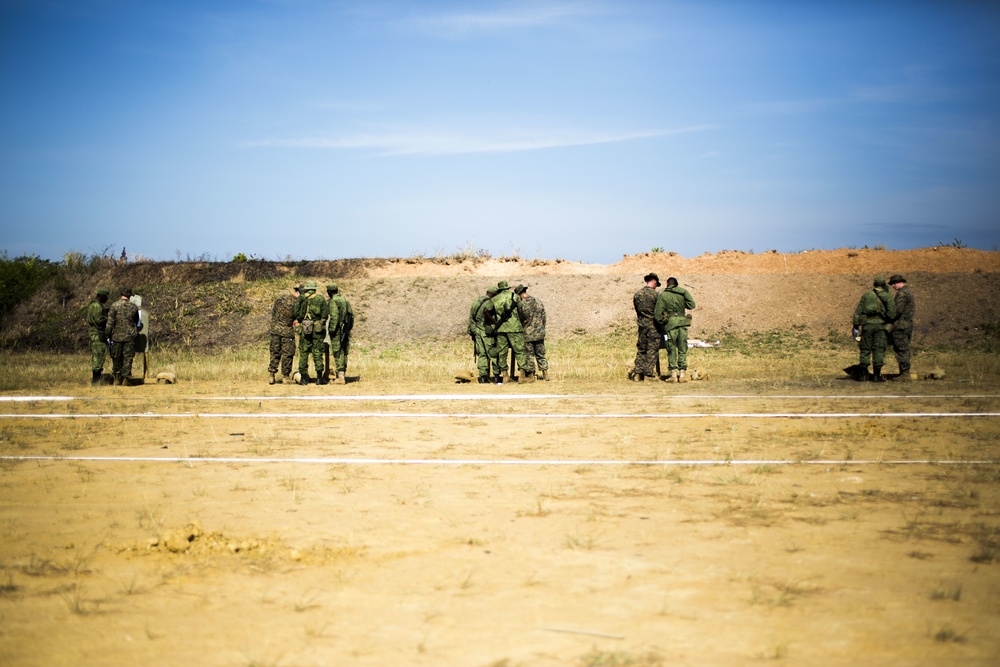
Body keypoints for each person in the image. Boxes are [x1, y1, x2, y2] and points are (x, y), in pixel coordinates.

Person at [852, 275, 896, 382]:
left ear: (874, 284)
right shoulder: (888, 296)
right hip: (881, 326)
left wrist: (856, 327)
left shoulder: (867, 295)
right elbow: (892, 314)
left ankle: (863, 376)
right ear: (884, 285)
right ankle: (877, 376)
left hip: (867, 325)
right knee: (879, 350)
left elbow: (858, 311)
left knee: (865, 349)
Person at [654, 277, 696, 382]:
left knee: (671, 348)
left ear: (667, 284)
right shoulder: (683, 292)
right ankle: (682, 374)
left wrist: (662, 322)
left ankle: (673, 375)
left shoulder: (663, 294)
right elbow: (692, 305)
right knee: (682, 348)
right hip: (683, 323)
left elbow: (658, 313)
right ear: (676, 285)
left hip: (670, 324)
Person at [491, 280, 532, 383]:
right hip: (515, 328)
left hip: (501, 329)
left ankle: (505, 375)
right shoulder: (515, 297)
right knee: (520, 351)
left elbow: (491, 315)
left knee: (502, 352)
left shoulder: (494, 299)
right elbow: (521, 311)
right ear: (507, 288)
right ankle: (522, 376)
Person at [294, 280, 329, 385]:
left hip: (304, 328)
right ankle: (319, 378)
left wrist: (301, 321)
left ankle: (304, 378)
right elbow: (325, 315)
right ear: (314, 289)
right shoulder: (320, 299)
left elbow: (296, 313)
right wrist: (319, 323)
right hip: (317, 330)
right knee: (317, 352)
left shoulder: (301, 298)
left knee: (304, 352)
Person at [105, 287, 141, 386]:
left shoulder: (114, 306)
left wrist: (107, 334)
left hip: (117, 337)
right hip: (130, 337)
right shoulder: (133, 307)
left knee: (116, 358)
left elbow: (110, 322)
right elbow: (136, 321)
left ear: (121, 294)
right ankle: (125, 379)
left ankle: (116, 379)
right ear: (129, 296)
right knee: (128, 358)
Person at [629, 273, 661, 381]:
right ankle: (648, 374)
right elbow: (659, 312)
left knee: (641, 349)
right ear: (654, 282)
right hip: (653, 326)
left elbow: (637, 310)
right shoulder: (656, 295)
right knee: (652, 349)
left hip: (642, 325)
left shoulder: (637, 294)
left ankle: (638, 373)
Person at [515, 284, 549, 380]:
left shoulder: (521, 304)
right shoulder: (538, 301)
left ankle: (531, 375)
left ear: (519, 294)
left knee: (529, 355)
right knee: (541, 354)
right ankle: (545, 373)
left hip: (527, 334)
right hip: (539, 333)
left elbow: (520, 319)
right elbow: (544, 317)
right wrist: (541, 328)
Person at [268, 284, 299, 384]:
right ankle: (285, 376)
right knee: (288, 353)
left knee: (274, 352)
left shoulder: (281, 299)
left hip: (275, 330)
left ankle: (271, 375)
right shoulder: (296, 303)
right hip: (287, 332)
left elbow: (273, 313)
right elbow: (298, 317)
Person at [888, 274, 915, 380]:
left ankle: (904, 374)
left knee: (901, 349)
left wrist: (888, 317)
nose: (893, 285)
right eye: (892, 284)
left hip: (900, 326)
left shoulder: (902, 293)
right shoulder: (908, 292)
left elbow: (897, 310)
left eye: (894, 283)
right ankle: (904, 372)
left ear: (900, 282)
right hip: (906, 324)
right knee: (904, 349)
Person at [326, 282, 354, 384]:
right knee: (344, 352)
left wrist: (332, 330)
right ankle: (342, 374)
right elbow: (351, 316)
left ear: (329, 292)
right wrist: (348, 329)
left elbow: (334, 317)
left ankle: (341, 377)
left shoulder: (333, 301)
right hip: (345, 330)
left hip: (338, 331)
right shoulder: (344, 300)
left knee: (337, 352)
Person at [468, 287, 498, 383]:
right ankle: (496, 375)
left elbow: (471, 318)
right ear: (493, 294)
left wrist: (472, 331)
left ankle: (483, 376)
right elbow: (488, 316)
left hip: (477, 331)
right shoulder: (489, 303)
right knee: (492, 352)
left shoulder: (476, 301)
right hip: (486, 330)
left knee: (482, 354)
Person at [86, 287, 110, 384]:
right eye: (106, 297)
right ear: (102, 296)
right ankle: (96, 379)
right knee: (98, 355)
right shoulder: (96, 306)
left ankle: (96, 378)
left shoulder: (95, 305)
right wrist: (108, 317)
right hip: (98, 334)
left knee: (98, 355)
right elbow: (98, 320)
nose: (106, 299)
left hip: (96, 333)